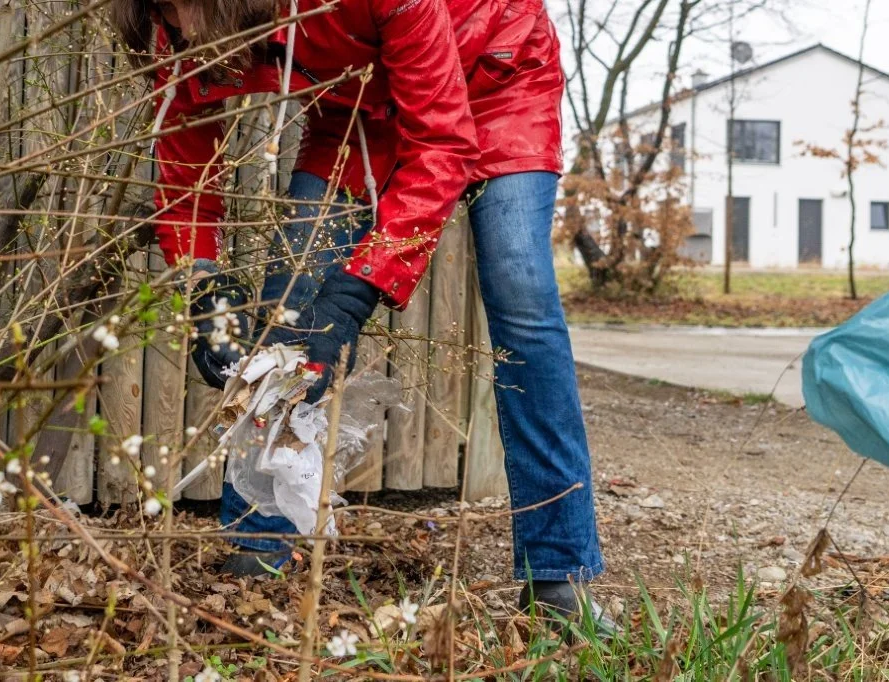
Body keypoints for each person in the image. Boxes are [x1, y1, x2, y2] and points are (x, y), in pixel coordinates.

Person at [113, 0, 605, 617]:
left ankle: (557, 568)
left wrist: (355, 293)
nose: (182, 27)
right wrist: (202, 281)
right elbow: (186, 161)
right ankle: (264, 534)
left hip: (495, 79)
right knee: (289, 293)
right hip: (359, 109)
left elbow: (442, 143)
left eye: (189, 11)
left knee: (521, 289)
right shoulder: (179, 22)